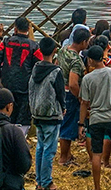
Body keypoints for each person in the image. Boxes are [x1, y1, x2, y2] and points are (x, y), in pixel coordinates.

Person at [80, 45, 111, 190]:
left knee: (96, 154)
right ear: (103, 57)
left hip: (96, 119)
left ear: (90, 60)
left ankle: (97, 187)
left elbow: (84, 103)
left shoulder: (87, 78)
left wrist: (81, 123)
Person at [0, 15, 42, 134]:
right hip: (25, 85)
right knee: (23, 115)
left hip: (7, 82)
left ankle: (5, 135)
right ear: (29, 29)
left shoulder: (6, 42)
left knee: (8, 111)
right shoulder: (33, 46)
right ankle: (20, 138)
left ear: (15, 29)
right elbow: (39, 64)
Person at [29, 37, 64, 190]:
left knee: (40, 148)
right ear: (55, 51)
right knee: (49, 150)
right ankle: (46, 182)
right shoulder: (56, 71)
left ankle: (39, 181)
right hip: (51, 115)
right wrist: (63, 107)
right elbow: (61, 94)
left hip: (37, 113)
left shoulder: (35, 69)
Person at [56, 27, 90, 166]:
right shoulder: (76, 60)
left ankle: (68, 154)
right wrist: (80, 97)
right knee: (68, 126)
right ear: (83, 42)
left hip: (60, 91)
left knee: (64, 122)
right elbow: (73, 83)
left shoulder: (62, 51)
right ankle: (64, 158)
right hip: (70, 94)